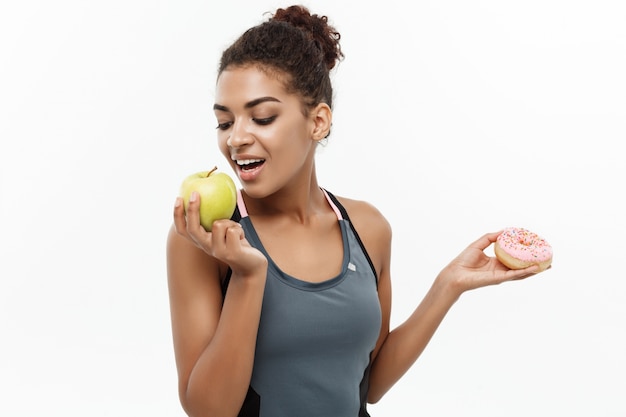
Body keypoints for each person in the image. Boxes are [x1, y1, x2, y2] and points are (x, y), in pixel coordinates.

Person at [166, 5, 545, 417]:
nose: (236, 138)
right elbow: (208, 410)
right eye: (224, 123)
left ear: (318, 121)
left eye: (262, 117)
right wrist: (247, 275)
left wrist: (447, 286)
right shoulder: (206, 234)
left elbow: (371, 384)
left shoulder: (367, 228)